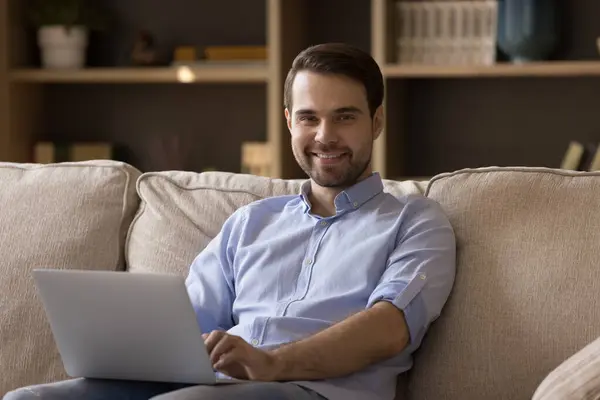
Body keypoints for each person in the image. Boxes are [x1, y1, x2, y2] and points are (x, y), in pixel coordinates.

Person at [4, 42, 456, 400]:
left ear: (376, 121)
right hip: (213, 386)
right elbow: (184, 325)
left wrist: (273, 362)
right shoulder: (250, 222)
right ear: (289, 123)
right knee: (30, 398)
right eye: (308, 118)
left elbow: (390, 328)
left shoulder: (414, 220)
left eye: (345, 117)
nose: (324, 136)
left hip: (314, 391)